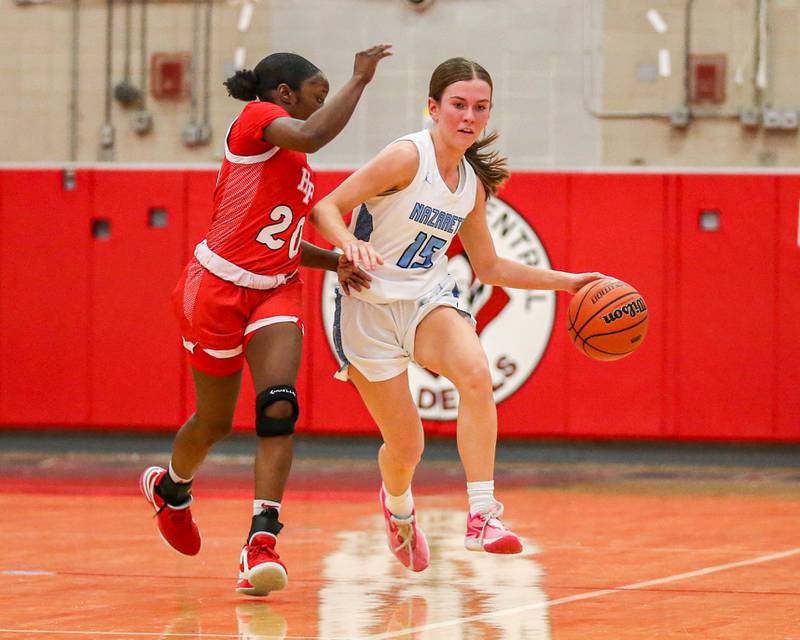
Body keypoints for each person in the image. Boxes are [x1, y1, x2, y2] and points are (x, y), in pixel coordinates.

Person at [309, 57, 605, 572]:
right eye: (458, 105)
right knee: (406, 448)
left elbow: (486, 266)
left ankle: (483, 515)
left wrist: (569, 282)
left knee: (475, 373)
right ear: (433, 108)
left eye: (480, 107)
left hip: (427, 299)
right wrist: (347, 247)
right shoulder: (406, 157)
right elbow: (325, 208)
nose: (469, 116)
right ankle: (398, 509)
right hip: (368, 309)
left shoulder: (471, 184)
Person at [139, 44, 392, 596]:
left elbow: (285, 242)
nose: (321, 105)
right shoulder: (257, 120)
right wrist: (359, 80)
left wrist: (338, 261)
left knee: (279, 405)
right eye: (316, 95)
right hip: (216, 288)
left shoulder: (296, 165)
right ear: (285, 94)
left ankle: (261, 541)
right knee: (213, 423)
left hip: (276, 290)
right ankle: (172, 490)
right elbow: (311, 134)